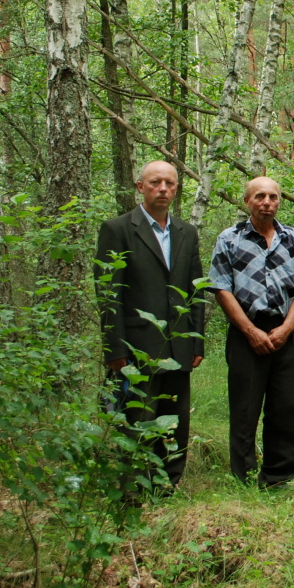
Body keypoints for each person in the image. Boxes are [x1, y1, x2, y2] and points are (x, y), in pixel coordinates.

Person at [95, 160, 206, 489]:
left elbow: (195, 291)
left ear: (176, 189)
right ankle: (134, 488)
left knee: (175, 419)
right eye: (155, 182)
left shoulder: (186, 232)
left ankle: (168, 485)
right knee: (137, 418)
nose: (163, 189)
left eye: (169, 183)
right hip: (136, 347)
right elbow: (108, 293)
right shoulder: (117, 229)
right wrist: (114, 349)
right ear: (140, 186)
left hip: (178, 344)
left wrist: (196, 341)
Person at [209, 176, 294, 487]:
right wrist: (250, 331)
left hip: (285, 330)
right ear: (247, 201)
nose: (266, 202)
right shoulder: (229, 239)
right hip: (246, 332)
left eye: (272, 197)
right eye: (259, 196)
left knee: (285, 405)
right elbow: (221, 288)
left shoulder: (292, 238)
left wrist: (287, 327)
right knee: (245, 406)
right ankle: (242, 474)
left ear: (279, 201)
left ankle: (278, 474)